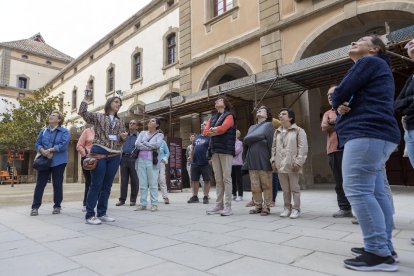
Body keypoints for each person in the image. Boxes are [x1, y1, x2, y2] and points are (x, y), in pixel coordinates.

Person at [332, 35, 400, 272]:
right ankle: (385, 247)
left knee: (358, 189)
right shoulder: (377, 67)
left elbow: (339, 92)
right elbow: (347, 98)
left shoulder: (367, 63)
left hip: (366, 132)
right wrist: (342, 105)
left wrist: (337, 103)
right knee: (376, 191)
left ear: (374, 49)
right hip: (379, 134)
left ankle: (377, 252)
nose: (353, 42)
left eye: (360, 40)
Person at [78, 95, 128, 225]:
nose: (118, 104)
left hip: (115, 155)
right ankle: (89, 215)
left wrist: (123, 137)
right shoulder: (99, 117)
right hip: (99, 152)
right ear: (109, 103)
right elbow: (83, 112)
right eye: (116, 102)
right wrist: (86, 98)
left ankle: (102, 212)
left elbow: (121, 139)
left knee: (107, 186)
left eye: (120, 103)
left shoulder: (120, 122)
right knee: (96, 184)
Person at [30, 111, 70, 216]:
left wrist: (51, 150)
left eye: (54, 115)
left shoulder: (64, 131)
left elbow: (64, 144)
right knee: (40, 184)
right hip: (44, 161)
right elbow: (37, 143)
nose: (51, 116)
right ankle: (35, 207)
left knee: (57, 184)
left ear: (59, 119)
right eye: (50, 115)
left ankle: (57, 206)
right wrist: (43, 151)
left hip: (59, 161)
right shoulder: (43, 131)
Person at [271, 108, 308, 219]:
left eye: (284, 114)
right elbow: (273, 147)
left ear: (290, 117)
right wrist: (273, 160)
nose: (280, 115)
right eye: (280, 113)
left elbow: (303, 148)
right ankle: (287, 208)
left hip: (292, 164)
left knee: (294, 188)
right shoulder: (277, 131)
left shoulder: (299, 130)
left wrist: (298, 162)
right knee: (285, 189)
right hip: (280, 164)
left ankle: (296, 209)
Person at [321, 86, 352, 218]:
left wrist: (333, 122)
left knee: (352, 179)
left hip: (349, 147)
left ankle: (358, 207)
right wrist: (337, 122)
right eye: (327, 95)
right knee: (339, 180)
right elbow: (324, 127)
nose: (329, 97)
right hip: (333, 149)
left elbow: (349, 124)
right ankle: (344, 208)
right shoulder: (327, 113)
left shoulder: (349, 108)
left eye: (332, 94)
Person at [204, 96, 236, 216]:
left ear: (225, 104)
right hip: (215, 150)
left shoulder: (229, 116)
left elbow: (223, 129)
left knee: (226, 178)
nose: (216, 101)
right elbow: (205, 132)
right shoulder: (212, 117)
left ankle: (228, 206)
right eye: (216, 100)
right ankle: (219, 204)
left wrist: (214, 130)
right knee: (218, 179)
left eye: (219, 100)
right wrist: (213, 130)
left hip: (226, 150)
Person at [244, 106, 274, 216]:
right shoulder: (252, 127)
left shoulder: (269, 125)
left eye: (262, 109)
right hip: (252, 157)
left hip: (264, 157)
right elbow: (246, 140)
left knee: (266, 184)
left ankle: (267, 206)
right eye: (258, 109)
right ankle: (258, 205)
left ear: (267, 114)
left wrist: (273, 158)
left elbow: (271, 142)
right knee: (255, 185)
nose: (259, 110)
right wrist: (260, 137)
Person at [134, 118, 164, 212]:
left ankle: (154, 204)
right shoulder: (142, 133)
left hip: (152, 161)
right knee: (142, 184)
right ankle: (143, 204)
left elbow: (157, 145)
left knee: (153, 183)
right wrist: (149, 145)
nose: (150, 122)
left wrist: (144, 143)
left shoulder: (160, 135)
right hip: (141, 160)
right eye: (150, 121)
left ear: (157, 125)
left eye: (153, 121)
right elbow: (137, 144)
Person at [116, 120, 139, 207]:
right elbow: (118, 144)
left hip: (134, 159)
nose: (131, 124)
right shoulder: (124, 135)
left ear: (137, 127)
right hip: (124, 158)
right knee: (124, 180)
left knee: (134, 180)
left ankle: (133, 200)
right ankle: (122, 200)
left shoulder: (139, 136)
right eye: (130, 123)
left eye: (134, 123)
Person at [188, 121, 211, 204]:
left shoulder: (210, 137)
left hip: (205, 162)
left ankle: (205, 196)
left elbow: (212, 149)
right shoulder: (197, 137)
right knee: (194, 180)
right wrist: (191, 157)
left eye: (205, 124)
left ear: (208, 126)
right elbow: (193, 147)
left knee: (206, 180)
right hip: (195, 162)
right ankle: (195, 196)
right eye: (202, 124)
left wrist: (210, 159)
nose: (202, 125)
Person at [76, 125, 95, 212]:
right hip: (88, 160)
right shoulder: (87, 131)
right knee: (89, 181)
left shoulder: (102, 132)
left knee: (100, 182)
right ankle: (86, 203)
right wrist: (85, 154)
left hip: (100, 159)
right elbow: (79, 145)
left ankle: (97, 202)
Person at [232, 130, 243, 201]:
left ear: (238, 135)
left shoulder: (239, 143)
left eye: (235, 134)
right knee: (232, 180)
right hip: (231, 164)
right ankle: (234, 194)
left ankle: (240, 195)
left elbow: (236, 151)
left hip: (238, 164)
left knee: (239, 180)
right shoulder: (231, 142)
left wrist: (229, 151)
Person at [158, 139, 170, 204]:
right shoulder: (151, 141)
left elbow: (167, 152)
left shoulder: (163, 142)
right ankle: (153, 198)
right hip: (152, 164)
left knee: (162, 180)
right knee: (152, 181)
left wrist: (164, 159)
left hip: (161, 163)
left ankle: (165, 197)